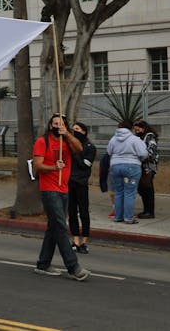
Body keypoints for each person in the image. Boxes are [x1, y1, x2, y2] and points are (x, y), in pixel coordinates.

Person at [32, 113, 90, 281]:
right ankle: (73, 267)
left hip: (64, 189)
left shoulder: (67, 141)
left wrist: (68, 134)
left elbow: (80, 148)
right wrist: (53, 167)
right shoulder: (43, 142)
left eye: (61, 124)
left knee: (53, 227)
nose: (58, 126)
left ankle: (43, 264)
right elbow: (37, 166)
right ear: (50, 126)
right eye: (55, 123)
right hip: (49, 189)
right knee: (60, 226)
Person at [107, 120, 148, 224]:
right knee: (129, 192)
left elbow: (109, 151)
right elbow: (143, 153)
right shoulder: (135, 139)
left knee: (119, 192)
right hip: (132, 166)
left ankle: (118, 217)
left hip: (115, 166)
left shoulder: (113, 139)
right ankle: (128, 218)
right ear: (131, 128)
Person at [68, 122, 96, 254]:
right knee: (72, 212)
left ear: (84, 131)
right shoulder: (69, 144)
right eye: (73, 129)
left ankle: (84, 241)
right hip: (69, 182)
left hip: (81, 183)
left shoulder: (90, 147)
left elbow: (86, 164)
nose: (75, 131)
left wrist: (76, 154)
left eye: (77, 129)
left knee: (83, 212)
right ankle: (75, 240)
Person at [134, 120, 159, 219]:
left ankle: (149, 211)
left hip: (148, 166)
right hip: (142, 166)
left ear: (143, 128)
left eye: (138, 129)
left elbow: (151, 151)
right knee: (143, 188)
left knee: (147, 189)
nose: (137, 131)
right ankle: (146, 210)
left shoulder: (149, 136)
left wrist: (141, 156)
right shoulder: (139, 137)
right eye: (135, 129)